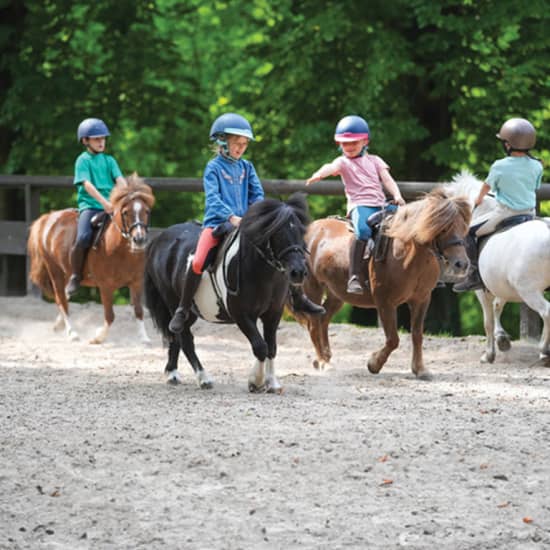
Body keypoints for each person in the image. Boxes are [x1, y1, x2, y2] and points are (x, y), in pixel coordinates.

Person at [168, 113, 324, 333]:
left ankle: (297, 298)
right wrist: (232, 217)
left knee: (280, 251)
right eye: (236, 144)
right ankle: (183, 309)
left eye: (244, 145)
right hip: (218, 223)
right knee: (197, 261)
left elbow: (257, 195)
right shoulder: (213, 168)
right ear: (222, 142)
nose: (241, 149)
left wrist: (258, 216)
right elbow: (213, 199)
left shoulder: (247, 168)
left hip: (247, 224)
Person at [306, 115, 405, 294]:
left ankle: (423, 269)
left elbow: (387, 180)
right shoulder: (342, 162)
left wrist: (397, 195)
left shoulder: (375, 160)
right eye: (345, 144)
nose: (349, 147)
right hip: (360, 206)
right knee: (363, 231)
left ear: (365, 141)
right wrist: (319, 174)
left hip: (380, 204)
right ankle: (355, 275)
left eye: (354, 143)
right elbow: (330, 167)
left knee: (410, 222)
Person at [453, 117, 543, 292]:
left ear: (508, 144)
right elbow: (535, 187)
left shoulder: (499, 165)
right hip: (529, 214)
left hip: (505, 213)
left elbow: (487, 186)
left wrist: (478, 199)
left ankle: (473, 276)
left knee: (468, 232)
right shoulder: (537, 166)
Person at [65, 118, 127, 298]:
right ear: (85, 141)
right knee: (83, 236)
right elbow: (87, 185)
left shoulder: (110, 160)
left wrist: (125, 196)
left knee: (133, 230)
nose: (101, 142)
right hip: (91, 206)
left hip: (112, 207)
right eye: (96, 139)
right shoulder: (82, 161)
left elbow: (120, 181)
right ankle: (76, 276)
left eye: (103, 138)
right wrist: (104, 203)